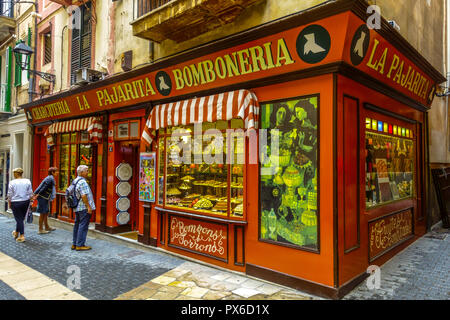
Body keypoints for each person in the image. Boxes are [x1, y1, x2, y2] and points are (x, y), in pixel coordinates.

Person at [71, 165, 95, 251]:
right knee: (83, 226)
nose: (88, 172)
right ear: (81, 172)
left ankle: (75, 243)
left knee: (77, 225)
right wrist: (88, 207)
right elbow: (84, 195)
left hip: (77, 207)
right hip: (83, 207)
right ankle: (80, 245)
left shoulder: (75, 180)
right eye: (87, 170)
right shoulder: (83, 182)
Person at [7, 168, 34, 243]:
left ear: (16, 174)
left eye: (14, 173)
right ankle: (16, 232)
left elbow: (10, 194)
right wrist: (31, 201)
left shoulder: (12, 182)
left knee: (19, 219)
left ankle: (22, 235)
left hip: (16, 202)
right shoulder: (27, 181)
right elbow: (30, 192)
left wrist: (9, 202)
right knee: (21, 219)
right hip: (25, 201)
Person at [33, 167, 58, 234]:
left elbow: (41, 186)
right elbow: (43, 187)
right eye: (56, 171)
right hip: (43, 197)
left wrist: (36, 193)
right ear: (52, 172)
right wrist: (37, 194)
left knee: (46, 212)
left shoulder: (49, 178)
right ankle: (40, 229)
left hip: (45, 197)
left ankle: (46, 226)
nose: (57, 173)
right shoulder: (50, 179)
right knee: (42, 213)